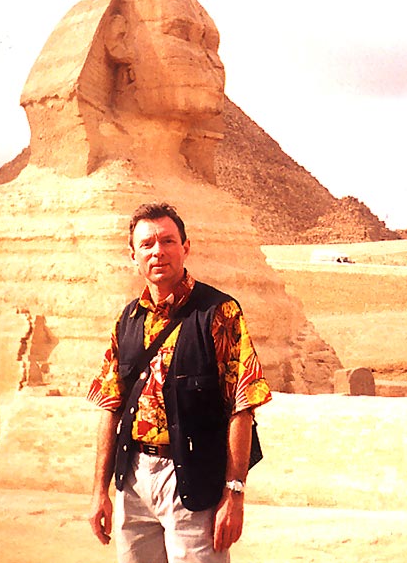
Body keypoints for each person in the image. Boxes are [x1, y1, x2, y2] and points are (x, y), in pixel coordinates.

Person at [87, 202, 272, 563]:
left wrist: (234, 493)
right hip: (133, 480)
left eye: (168, 241)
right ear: (133, 255)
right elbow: (110, 406)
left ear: (186, 247)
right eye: (147, 244)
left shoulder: (220, 313)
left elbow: (242, 406)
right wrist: (99, 492)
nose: (158, 251)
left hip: (194, 482)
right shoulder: (127, 320)